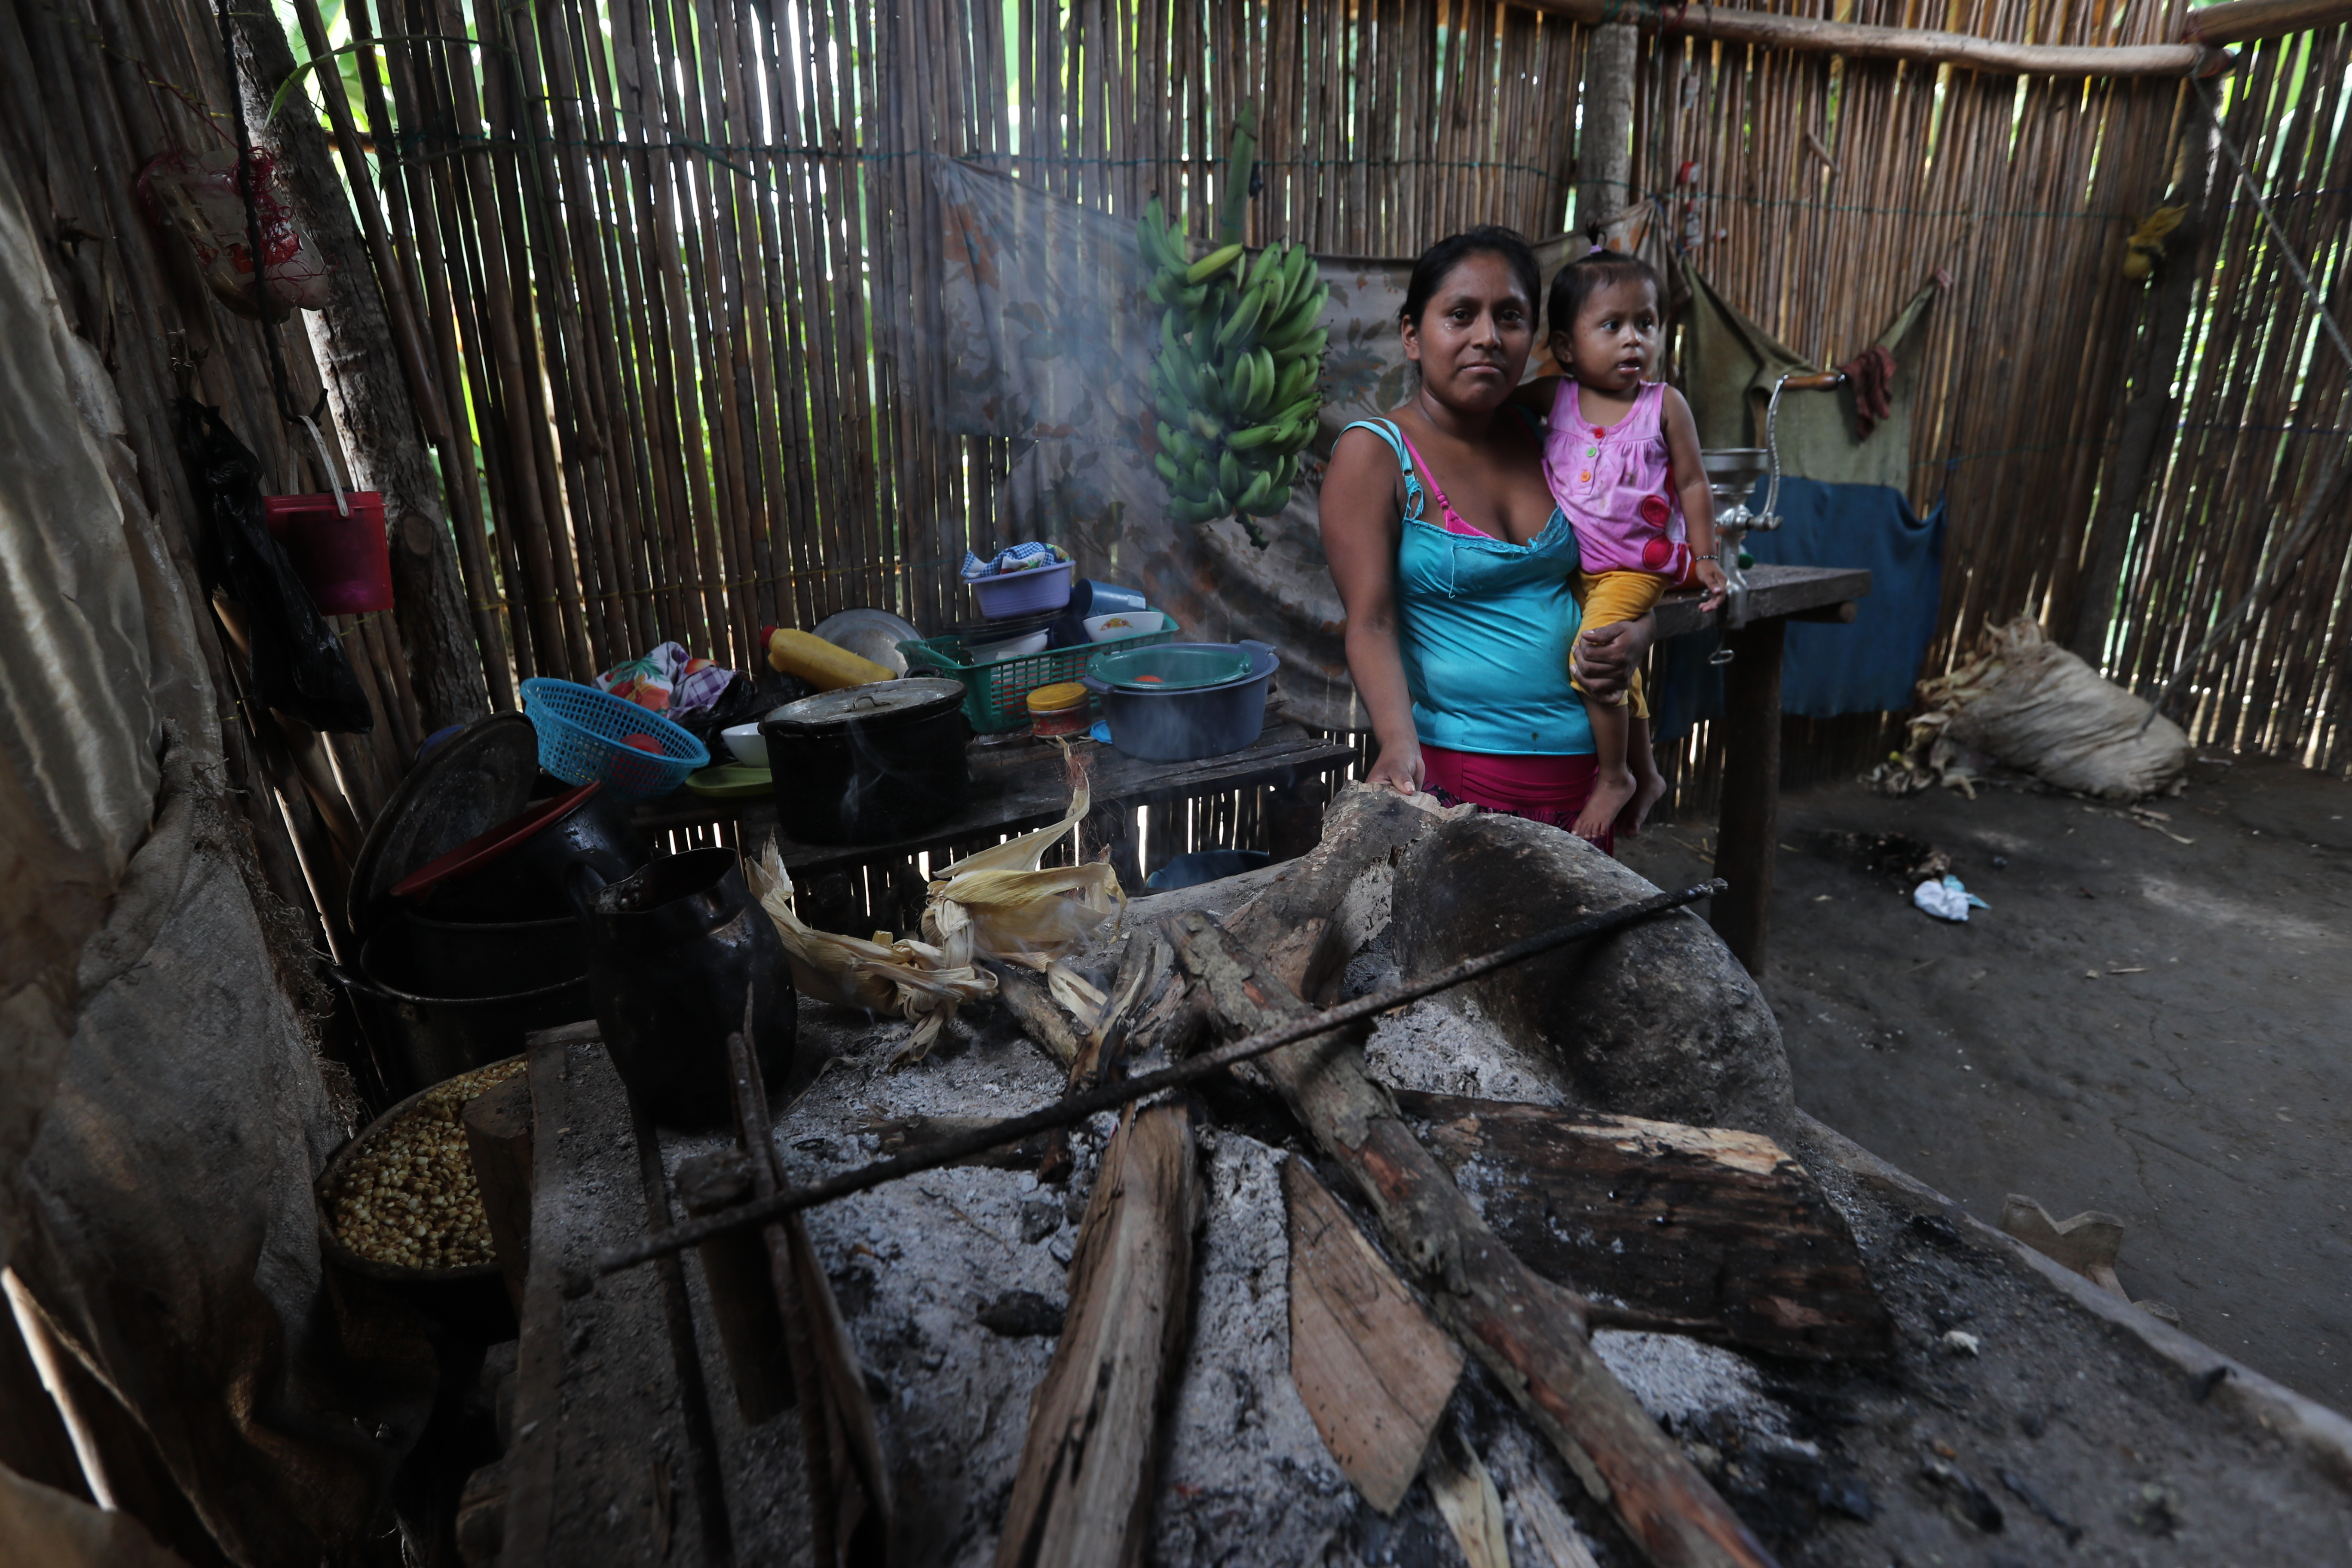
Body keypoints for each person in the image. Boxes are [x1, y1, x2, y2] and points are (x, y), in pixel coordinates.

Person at [1319, 227, 1655, 851]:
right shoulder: (1376, 456)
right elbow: (1370, 623)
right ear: (1412, 335)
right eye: (1460, 315)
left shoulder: (1552, 436)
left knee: (1571, 943)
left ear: (1534, 338)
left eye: (1510, 317)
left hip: (1585, 777)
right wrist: (1397, 741)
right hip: (1460, 776)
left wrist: (1639, 634)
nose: (1488, 337)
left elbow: (1612, 573)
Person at [1512, 232, 1725, 840]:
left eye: (1647, 323)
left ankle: (1615, 777)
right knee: (1621, 670)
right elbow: (1491, 406)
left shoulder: (1663, 406)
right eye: (1612, 326)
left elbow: (1695, 485)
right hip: (1568, 566)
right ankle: (1648, 770)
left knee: (1594, 659)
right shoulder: (1558, 397)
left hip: (1633, 566)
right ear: (1565, 347)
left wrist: (1706, 555)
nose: (1634, 339)